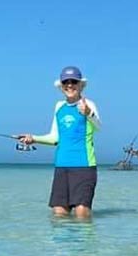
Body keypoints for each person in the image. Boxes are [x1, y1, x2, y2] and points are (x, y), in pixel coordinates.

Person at [17, 66, 102, 219]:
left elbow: (98, 127)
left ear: (81, 85)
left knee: (81, 212)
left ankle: (84, 242)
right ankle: (64, 244)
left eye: (74, 82)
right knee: (59, 213)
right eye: (66, 82)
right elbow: (55, 138)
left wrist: (89, 113)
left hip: (84, 166)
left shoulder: (88, 104)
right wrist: (33, 138)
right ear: (61, 86)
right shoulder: (59, 107)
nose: (70, 85)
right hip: (62, 166)